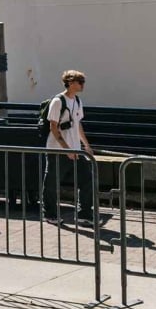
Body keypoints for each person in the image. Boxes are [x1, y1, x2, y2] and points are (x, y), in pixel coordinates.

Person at [42, 70, 96, 225]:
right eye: (80, 82)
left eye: (83, 81)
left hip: (75, 149)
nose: (83, 85)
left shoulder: (77, 101)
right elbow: (54, 127)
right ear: (71, 83)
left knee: (86, 179)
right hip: (57, 150)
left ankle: (84, 214)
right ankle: (50, 214)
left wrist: (86, 145)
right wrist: (66, 149)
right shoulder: (58, 101)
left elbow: (78, 124)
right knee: (52, 182)